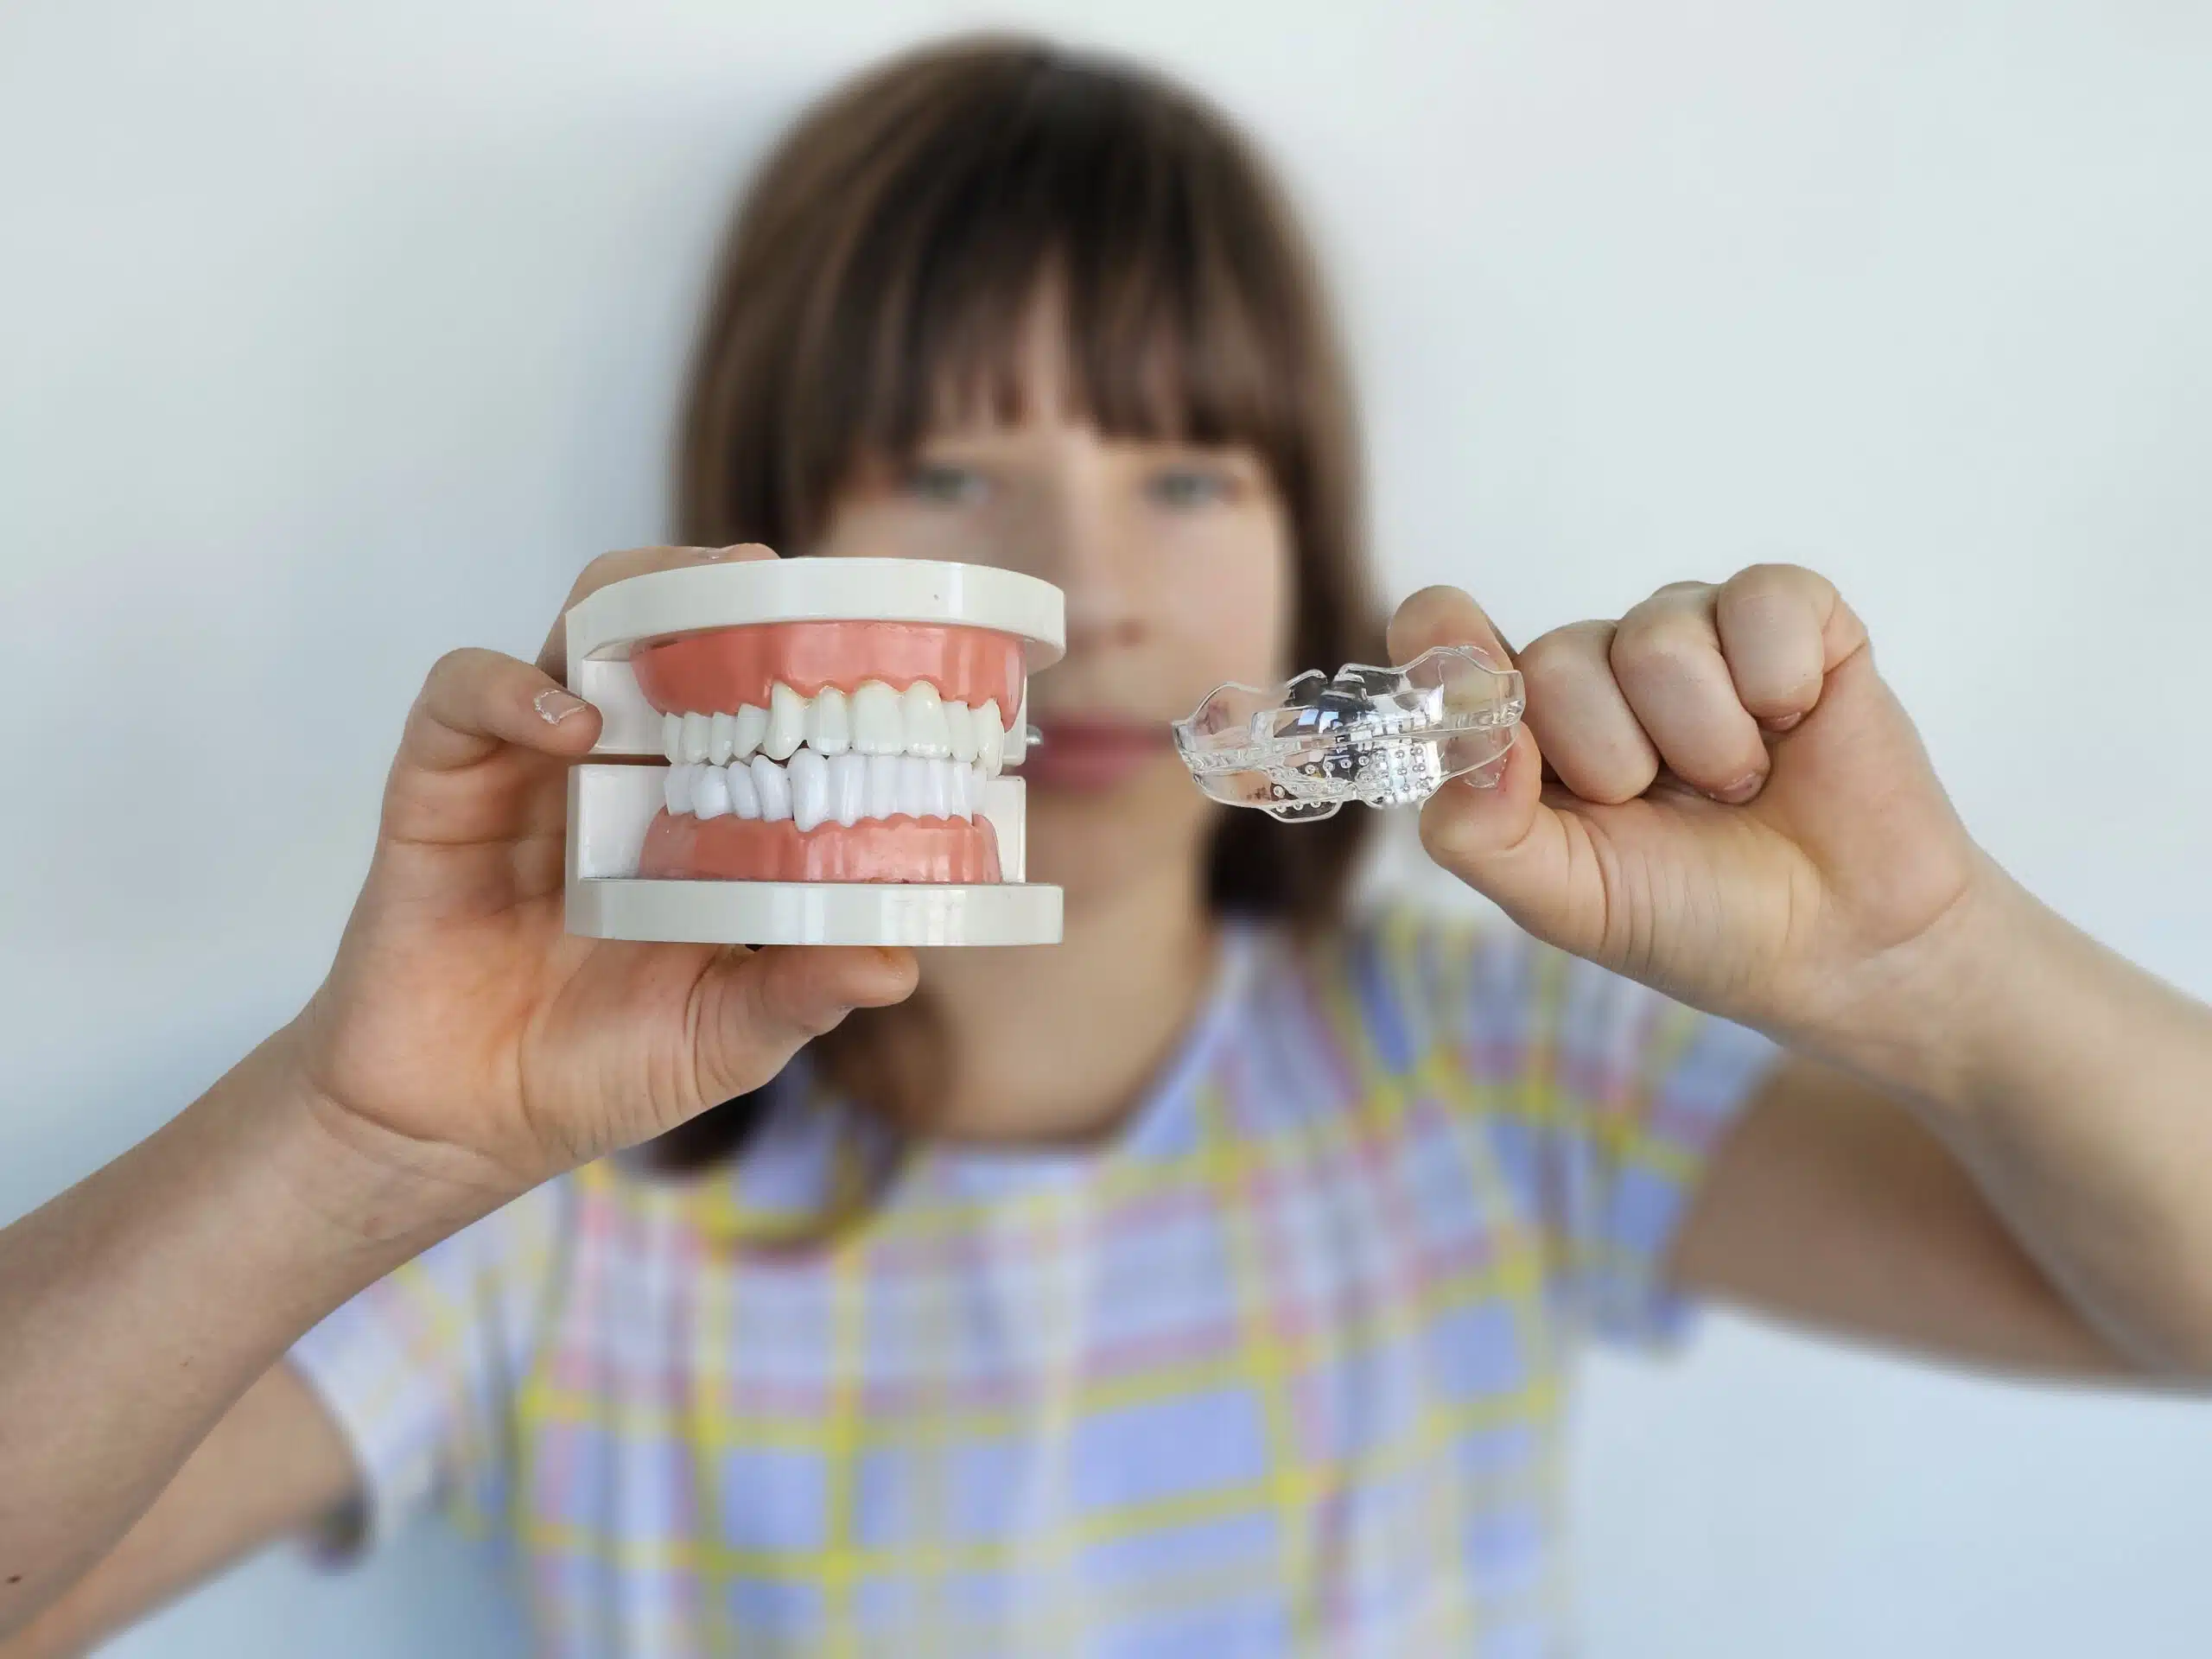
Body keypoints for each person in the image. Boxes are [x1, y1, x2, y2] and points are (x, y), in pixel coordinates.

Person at [3, 32, 2209, 1659]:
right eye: (948, 474)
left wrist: (1926, 966)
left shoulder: (1497, 1073)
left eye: (1183, 475)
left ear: (1305, 545)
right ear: (765, 555)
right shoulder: (554, 1194)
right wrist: (354, 1140)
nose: (1078, 592)